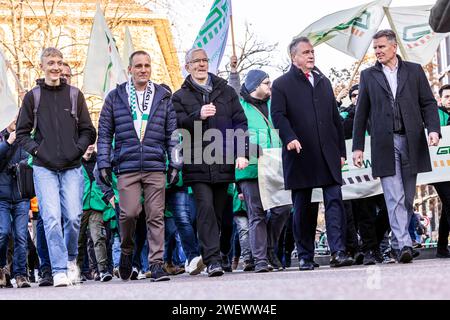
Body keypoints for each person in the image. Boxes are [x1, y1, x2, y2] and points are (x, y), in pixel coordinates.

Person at [352, 30, 441, 263]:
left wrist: (433, 129)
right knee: (395, 196)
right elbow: (361, 113)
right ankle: (404, 244)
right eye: (375, 48)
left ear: (393, 47)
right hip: (384, 143)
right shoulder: (368, 76)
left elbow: (429, 103)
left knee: (408, 197)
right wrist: (358, 147)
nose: (377, 51)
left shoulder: (414, 70)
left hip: (411, 141)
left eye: (381, 47)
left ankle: (395, 243)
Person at [97, 50, 181, 282]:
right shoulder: (116, 96)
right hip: (127, 164)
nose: (143, 69)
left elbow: (172, 135)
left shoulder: (162, 96)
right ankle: (126, 250)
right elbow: (104, 133)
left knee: (156, 216)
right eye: (139, 66)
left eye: (147, 65)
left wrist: (175, 162)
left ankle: (156, 264)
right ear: (130, 70)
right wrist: (103, 161)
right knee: (129, 213)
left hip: (155, 164)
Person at [15, 47, 96, 287]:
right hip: (44, 168)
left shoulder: (74, 94)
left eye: (60, 62)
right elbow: (22, 133)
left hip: (72, 167)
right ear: (42, 66)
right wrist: (39, 151)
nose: (56, 67)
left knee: (72, 217)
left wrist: (77, 149)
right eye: (51, 62)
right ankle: (59, 269)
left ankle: (71, 259)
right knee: (50, 218)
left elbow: (89, 131)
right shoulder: (33, 97)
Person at [271, 37, 354, 271]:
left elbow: (335, 119)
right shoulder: (281, 84)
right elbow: (278, 115)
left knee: (335, 200)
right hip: (300, 153)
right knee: (304, 207)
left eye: (312, 51)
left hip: (328, 153)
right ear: (294, 57)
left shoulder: (323, 81)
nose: (311, 55)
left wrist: (341, 150)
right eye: (306, 52)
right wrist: (289, 138)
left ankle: (338, 252)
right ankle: (306, 256)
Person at [172, 48, 249, 277]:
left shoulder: (225, 91)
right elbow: (176, 124)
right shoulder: (180, 96)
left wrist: (242, 152)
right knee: (205, 210)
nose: (201, 64)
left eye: (205, 60)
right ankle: (213, 260)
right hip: (197, 161)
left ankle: (217, 253)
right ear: (188, 66)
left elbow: (240, 123)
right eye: (196, 61)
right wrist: (198, 115)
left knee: (220, 215)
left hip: (223, 159)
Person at [229, 65, 292, 272]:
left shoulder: (275, 104)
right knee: (255, 213)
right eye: (266, 83)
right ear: (255, 85)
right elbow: (234, 134)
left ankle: (269, 247)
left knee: (282, 209)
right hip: (250, 168)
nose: (270, 86)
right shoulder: (239, 107)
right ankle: (260, 260)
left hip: (275, 167)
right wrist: (244, 153)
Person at [0, 116, 32, 288]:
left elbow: (33, 158)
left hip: (21, 195)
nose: (15, 121)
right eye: (13, 118)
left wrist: (22, 165)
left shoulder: (26, 138)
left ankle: (21, 274)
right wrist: (8, 143)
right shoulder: (2, 137)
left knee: (21, 236)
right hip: (2, 197)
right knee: (3, 233)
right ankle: (1, 268)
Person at [432, 84, 450, 258]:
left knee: (447, 207)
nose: (449, 100)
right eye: (447, 96)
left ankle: (442, 247)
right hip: (439, 170)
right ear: (440, 99)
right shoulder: (436, 114)